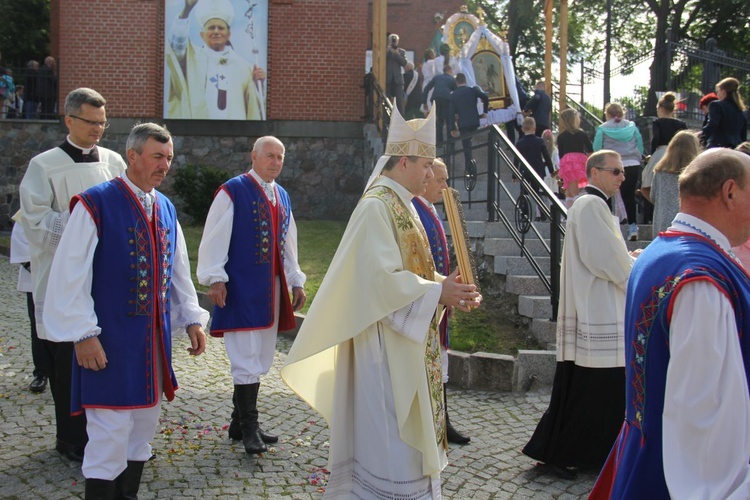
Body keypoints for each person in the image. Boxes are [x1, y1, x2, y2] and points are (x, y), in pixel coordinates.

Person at [281, 106, 482, 498]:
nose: (430, 174)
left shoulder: (402, 204)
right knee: (391, 445)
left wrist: (446, 287)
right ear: (403, 161)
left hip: (402, 344)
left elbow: (410, 270)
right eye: (425, 165)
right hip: (381, 351)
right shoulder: (377, 205)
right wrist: (436, 292)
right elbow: (377, 282)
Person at [43, 122, 209, 498]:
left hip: (152, 348)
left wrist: (192, 318)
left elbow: (177, 270)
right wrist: (83, 335)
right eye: (157, 157)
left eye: (168, 158)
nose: (164, 165)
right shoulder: (95, 203)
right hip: (109, 346)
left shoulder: (165, 206)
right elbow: (70, 276)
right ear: (132, 156)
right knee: (108, 437)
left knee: (140, 434)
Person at [590, 148, 750, 499]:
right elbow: (704, 415)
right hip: (679, 475)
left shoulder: (658, 252)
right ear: (730, 192)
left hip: (644, 450)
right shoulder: (701, 280)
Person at [19, 87, 127, 463]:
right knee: (67, 362)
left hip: (108, 276)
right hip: (65, 274)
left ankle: (106, 434)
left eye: (102, 122)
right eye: (90, 121)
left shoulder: (114, 162)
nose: (98, 128)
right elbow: (34, 220)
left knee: (107, 354)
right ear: (69, 120)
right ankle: (70, 439)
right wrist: (83, 229)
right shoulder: (44, 165)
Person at [522, 150, 639, 479]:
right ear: (596, 172)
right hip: (595, 307)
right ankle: (562, 453)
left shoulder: (596, 205)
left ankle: (585, 454)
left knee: (592, 391)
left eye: (622, 172)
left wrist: (629, 258)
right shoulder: (590, 205)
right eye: (616, 171)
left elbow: (609, 253)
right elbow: (605, 258)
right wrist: (636, 269)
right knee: (589, 392)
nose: (622, 177)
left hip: (598, 304)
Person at [197, 135, 306, 456]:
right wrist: (215, 278)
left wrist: (295, 280)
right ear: (254, 157)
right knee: (245, 355)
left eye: (280, 157)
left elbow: (289, 242)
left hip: (271, 290)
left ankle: (238, 422)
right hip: (242, 288)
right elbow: (214, 236)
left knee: (260, 356)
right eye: (270, 156)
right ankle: (249, 428)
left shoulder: (281, 195)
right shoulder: (233, 191)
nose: (275, 162)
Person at [412, 158, 470, 445]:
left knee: (441, 361)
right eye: (440, 180)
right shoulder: (415, 211)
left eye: (446, 179)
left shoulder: (430, 210)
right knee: (430, 361)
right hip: (426, 298)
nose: (445, 185)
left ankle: (443, 422)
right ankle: (432, 423)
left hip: (439, 299)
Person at [166, 0, 265, 120]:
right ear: (202, 35)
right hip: (198, 127)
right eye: (211, 28)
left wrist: (258, 84)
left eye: (221, 28)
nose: (216, 31)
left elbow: (253, 108)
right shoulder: (192, 59)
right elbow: (176, 47)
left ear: (228, 34)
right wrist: (186, 11)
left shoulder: (244, 67)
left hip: (234, 131)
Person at [593, 102, 644, 241]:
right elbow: (640, 144)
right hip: (632, 163)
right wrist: (638, 157)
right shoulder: (632, 126)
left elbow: (597, 147)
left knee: (607, 195)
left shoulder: (603, 129)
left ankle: (609, 228)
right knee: (629, 196)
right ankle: (633, 227)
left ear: (607, 114)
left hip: (611, 165)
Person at [9, 217, 48, 393]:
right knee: (38, 328)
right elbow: (20, 245)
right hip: (36, 281)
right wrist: (41, 270)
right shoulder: (25, 213)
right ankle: (41, 373)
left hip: (63, 280)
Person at [640, 92, 688, 223]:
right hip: (679, 154)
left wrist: (652, 153)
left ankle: (655, 208)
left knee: (646, 181)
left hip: (662, 151)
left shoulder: (658, 122)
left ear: (661, 108)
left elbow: (656, 139)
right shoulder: (681, 123)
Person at [647, 130, 701, 238]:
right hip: (687, 222)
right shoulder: (697, 173)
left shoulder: (659, 171)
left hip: (662, 221)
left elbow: (653, 196)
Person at [515, 117, 555, 221]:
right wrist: (551, 170)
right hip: (538, 170)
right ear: (535, 128)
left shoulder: (520, 143)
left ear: (523, 129)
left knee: (524, 192)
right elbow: (546, 156)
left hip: (525, 171)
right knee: (537, 192)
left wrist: (514, 175)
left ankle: (524, 214)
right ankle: (542, 213)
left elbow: (516, 159)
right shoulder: (540, 141)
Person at [449, 72, 489, 167]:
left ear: (456, 82)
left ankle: (469, 167)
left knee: (466, 146)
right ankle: (471, 164)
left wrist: (452, 128)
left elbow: (451, 113)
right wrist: (485, 111)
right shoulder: (472, 90)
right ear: (465, 81)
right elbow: (485, 97)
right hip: (475, 121)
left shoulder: (453, 95)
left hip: (463, 123)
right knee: (469, 141)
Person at [556, 108, 592, 207]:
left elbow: (561, 154)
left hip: (567, 163)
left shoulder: (561, 136)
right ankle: (571, 214)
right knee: (573, 191)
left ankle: (571, 214)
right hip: (580, 162)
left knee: (570, 191)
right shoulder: (582, 134)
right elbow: (590, 149)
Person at [701, 77, 747, 149]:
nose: (717, 94)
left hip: (718, 145)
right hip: (736, 148)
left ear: (723, 92)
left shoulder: (716, 105)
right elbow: (743, 135)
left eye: (718, 91)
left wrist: (701, 135)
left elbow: (712, 125)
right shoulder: (741, 111)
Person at [423, 64, 457, 147]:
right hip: (446, 99)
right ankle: (450, 141)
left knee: (439, 121)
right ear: (450, 71)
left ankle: (439, 143)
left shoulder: (437, 77)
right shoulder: (452, 79)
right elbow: (456, 93)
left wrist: (424, 102)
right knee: (448, 120)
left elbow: (426, 88)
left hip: (435, 99)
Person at [385, 33, 407, 116]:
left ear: (398, 42)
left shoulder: (401, 52)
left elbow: (404, 63)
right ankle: (386, 119)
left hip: (398, 80)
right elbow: (382, 60)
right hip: (387, 79)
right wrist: (389, 51)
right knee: (386, 101)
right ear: (388, 41)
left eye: (395, 41)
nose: (394, 43)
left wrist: (396, 54)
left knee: (399, 102)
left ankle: (401, 120)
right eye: (392, 41)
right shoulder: (385, 51)